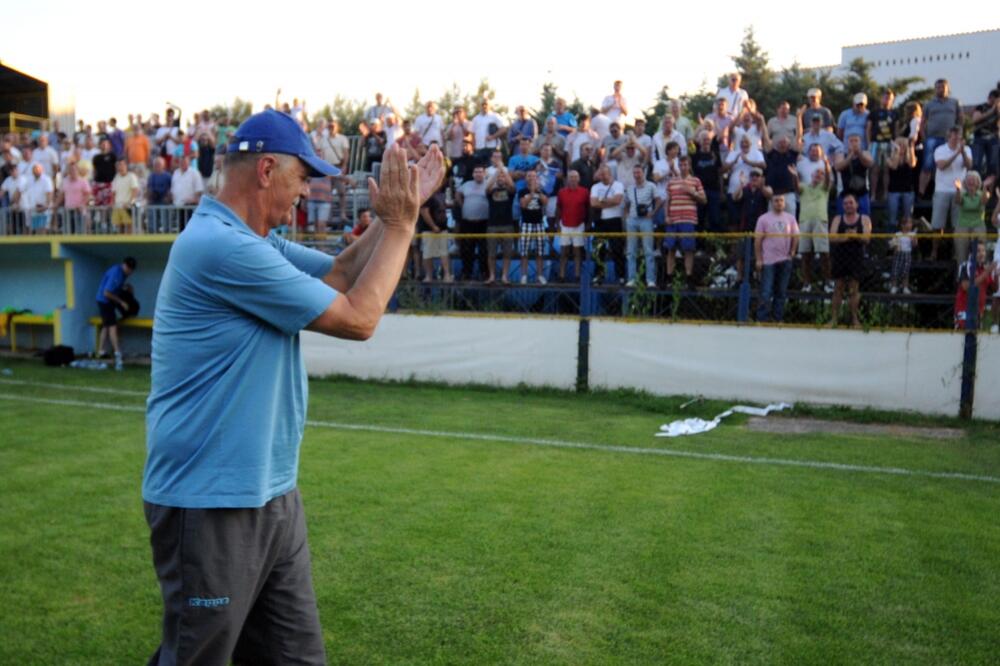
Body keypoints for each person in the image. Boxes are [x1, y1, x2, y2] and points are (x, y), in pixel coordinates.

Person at [142, 109, 444, 665]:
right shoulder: (221, 246)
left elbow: (340, 275)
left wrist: (395, 215)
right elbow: (359, 317)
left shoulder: (252, 242)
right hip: (211, 501)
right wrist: (402, 226)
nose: (307, 192)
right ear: (265, 171)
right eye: (302, 177)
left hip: (272, 493)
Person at [929, 126, 972, 261]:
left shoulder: (967, 149)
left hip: (959, 191)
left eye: (959, 135)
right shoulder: (940, 150)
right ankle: (934, 252)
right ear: (949, 136)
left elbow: (969, 166)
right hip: (942, 190)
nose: (957, 138)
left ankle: (956, 253)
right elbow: (941, 166)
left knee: (957, 225)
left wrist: (962, 153)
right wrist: (956, 153)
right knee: (937, 224)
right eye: (954, 135)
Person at [754, 193, 799, 322]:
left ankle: (777, 319)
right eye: (776, 200)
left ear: (784, 203)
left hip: (785, 260)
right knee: (766, 291)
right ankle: (762, 319)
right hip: (768, 260)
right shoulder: (763, 219)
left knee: (781, 292)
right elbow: (758, 240)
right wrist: (759, 259)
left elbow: (796, 236)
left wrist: (793, 251)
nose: (779, 203)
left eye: (781, 200)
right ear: (771, 203)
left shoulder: (791, 218)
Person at [829, 193, 872, 328]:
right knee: (838, 288)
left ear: (857, 205)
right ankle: (834, 319)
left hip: (856, 257)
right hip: (840, 257)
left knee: (854, 289)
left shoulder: (864, 219)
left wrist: (855, 236)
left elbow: (866, 239)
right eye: (845, 203)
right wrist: (846, 237)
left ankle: (854, 319)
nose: (848, 205)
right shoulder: (838, 219)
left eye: (851, 203)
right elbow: (832, 238)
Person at [665, 155, 706, 283]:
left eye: (685, 165)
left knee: (689, 249)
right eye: (681, 165)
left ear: (689, 166)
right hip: (673, 219)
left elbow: (704, 200)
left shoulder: (695, 181)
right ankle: (669, 276)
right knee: (670, 249)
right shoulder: (672, 182)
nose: (683, 167)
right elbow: (667, 201)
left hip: (688, 219)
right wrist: (666, 216)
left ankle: (689, 277)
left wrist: (691, 191)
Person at [919, 79, 963, 196]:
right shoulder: (929, 104)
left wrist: (959, 135)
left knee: (946, 165)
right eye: (938, 87)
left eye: (943, 87)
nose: (940, 89)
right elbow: (922, 122)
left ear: (947, 88)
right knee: (927, 166)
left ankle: (940, 190)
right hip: (932, 138)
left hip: (949, 139)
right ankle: (921, 193)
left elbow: (960, 119)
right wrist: (924, 138)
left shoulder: (955, 102)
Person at [95, 256, 137, 370]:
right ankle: (118, 354)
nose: (130, 271)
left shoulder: (122, 274)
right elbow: (107, 293)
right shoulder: (116, 273)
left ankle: (101, 352)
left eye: (131, 269)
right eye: (128, 268)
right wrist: (121, 302)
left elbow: (115, 287)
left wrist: (125, 288)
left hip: (108, 301)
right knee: (112, 327)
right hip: (104, 301)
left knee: (106, 326)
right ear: (124, 265)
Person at [797, 161, 833, 293]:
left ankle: (828, 281)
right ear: (811, 175)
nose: (819, 175)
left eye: (821, 174)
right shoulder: (804, 186)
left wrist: (827, 168)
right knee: (805, 254)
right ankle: (806, 283)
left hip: (820, 221)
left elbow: (828, 179)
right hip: (804, 221)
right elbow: (796, 187)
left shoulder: (824, 188)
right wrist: (794, 175)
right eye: (817, 172)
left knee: (824, 253)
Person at [624, 164, 660, 287]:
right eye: (635, 173)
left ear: (643, 173)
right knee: (631, 251)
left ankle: (650, 280)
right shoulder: (630, 188)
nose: (637, 175)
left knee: (648, 250)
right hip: (632, 220)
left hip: (646, 220)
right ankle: (632, 279)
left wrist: (653, 213)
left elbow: (659, 200)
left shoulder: (651, 186)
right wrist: (627, 216)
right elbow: (626, 203)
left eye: (638, 172)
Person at [589, 164, 625, 284]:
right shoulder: (595, 187)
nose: (603, 176)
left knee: (617, 249)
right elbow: (593, 203)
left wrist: (602, 201)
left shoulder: (618, 185)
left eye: (605, 174)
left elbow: (618, 200)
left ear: (610, 174)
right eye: (601, 174)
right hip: (600, 221)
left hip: (615, 220)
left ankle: (620, 275)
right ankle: (599, 275)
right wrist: (609, 202)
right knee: (599, 249)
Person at [555, 169, 589, 282]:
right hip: (565, 224)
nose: (573, 179)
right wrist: (557, 224)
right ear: (567, 179)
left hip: (579, 225)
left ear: (579, 179)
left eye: (575, 177)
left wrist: (588, 224)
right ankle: (561, 275)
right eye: (571, 177)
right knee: (563, 251)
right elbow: (558, 208)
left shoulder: (585, 192)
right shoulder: (561, 192)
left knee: (577, 252)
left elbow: (589, 208)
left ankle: (577, 275)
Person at [485, 165, 517, 283]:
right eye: (499, 177)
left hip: (507, 225)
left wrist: (503, 170)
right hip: (492, 225)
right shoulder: (491, 191)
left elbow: (512, 186)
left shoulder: (509, 191)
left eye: (502, 177)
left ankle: (504, 276)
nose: (500, 178)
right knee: (491, 253)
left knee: (507, 253)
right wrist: (496, 173)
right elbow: (487, 188)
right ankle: (492, 276)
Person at [954, 243, 995, 330]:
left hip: (979, 312)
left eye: (983, 251)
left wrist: (997, 274)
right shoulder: (965, 266)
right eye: (978, 251)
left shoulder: (986, 268)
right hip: (964, 311)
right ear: (971, 254)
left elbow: (994, 289)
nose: (981, 253)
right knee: (964, 335)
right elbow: (966, 287)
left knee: (976, 336)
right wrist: (986, 273)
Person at [953, 171, 989, 266]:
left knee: (979, 251)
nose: (971, 182)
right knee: (961, 252)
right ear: (965, 182)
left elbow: (984, 201)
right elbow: (957, 201)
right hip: (963, 224)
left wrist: (985, 187)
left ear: (978, 183)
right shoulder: (962, 193)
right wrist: (958, 189)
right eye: (969, 180)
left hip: (978, 225)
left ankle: (979, 271)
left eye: (973, 180)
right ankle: (962, 271)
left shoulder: (982, 194)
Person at [419, 187, 453, 282]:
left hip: (443, 228)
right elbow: (424, 212)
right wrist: (433, 226)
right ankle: (428, 276)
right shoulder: (426, 195)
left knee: (444, 252)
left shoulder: (442, 195)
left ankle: (447, 275)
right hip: (428, 229)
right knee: (428, 253)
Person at [885, 137, 917, 231]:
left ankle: (907, 237)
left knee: (907, 217)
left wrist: (911, 148)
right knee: (892, 218)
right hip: (893, 190)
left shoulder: (910, 157)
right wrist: (897, 152)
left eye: (903, 145)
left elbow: (912, 164)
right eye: (899, 145)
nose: (901, 147)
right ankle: (892, 237)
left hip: (908, 190)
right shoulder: (888, 157)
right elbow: (894, 166)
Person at [111, 158, 140, 233]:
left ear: (126, 165)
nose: (120, 167)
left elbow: (135, 190)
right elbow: (113, 192)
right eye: (118, 165)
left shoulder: (131, 176)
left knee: (129, 226)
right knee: (119, 227)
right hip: (118, 206)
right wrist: (113, 203)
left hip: (127, 206)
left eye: (121, 165)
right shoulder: (116, 177)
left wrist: (130, 203)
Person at [889, 216, 916, 295]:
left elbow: (915, 245)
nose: (910, 225)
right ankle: (894, 286)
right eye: (908, 223)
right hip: (898, 253)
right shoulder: (898, 234)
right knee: (895, 270)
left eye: (911, 223)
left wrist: (913, 240)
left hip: (907, 254)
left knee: (906, 271)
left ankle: (905, 287)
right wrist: (894, 246)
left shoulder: (913, 234)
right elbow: (892, 244)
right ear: (902, 225)